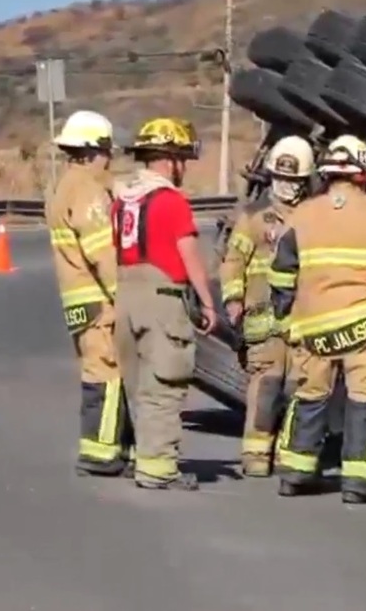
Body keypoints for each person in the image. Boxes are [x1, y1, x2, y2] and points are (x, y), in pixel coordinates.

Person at [268, 134, 366, 504]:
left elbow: (281, 273)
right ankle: (357, 482)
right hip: (365, 325)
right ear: (364, 175)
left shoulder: (302, 214)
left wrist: (285, 317)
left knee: (309, 395)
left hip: (313, 328)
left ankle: (294, 472)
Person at [112, 117, 217, 491]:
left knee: (136, 383)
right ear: (169, 159)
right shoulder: (171, 201)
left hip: (124, 295)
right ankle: (158, 469)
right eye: (182, 159)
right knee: (164, 383)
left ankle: (142, 454)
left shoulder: (122, 200)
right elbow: (188, 255)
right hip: (161, 298)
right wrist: (207, 303)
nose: (184, 168)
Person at [45, 110, 137, 477]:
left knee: (97, 368)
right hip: (99, 299)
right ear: (93, 151)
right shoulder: (86, 189)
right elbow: (102, 250)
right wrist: (124, 294)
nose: (109, 160)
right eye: (106, 152)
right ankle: (101, 453)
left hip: (78, 300)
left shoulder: (64, 185)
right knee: (107, 371)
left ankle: (106, 448)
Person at [219, 135, 315, 477]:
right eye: (281, 178)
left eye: (293, 180)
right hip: (264, 317)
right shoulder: (254, 217)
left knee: (301, 386)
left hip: (304, 319)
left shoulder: (313, 216)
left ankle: (290, 456)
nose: (285, 185)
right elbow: (233, 261)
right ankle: (256, 454)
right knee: (267, 383)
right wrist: (233, 301)